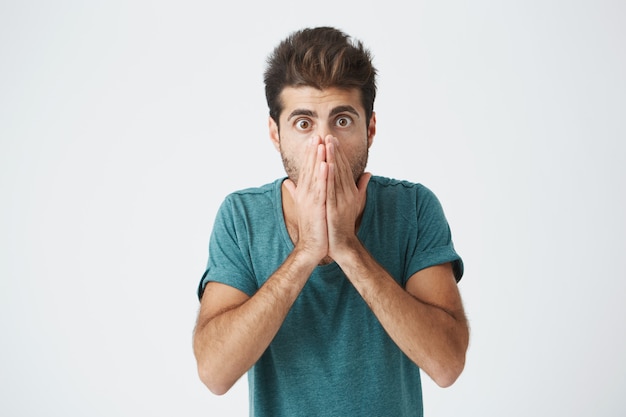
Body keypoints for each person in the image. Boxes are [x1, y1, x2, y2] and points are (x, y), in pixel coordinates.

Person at [193, 26, 469, 416]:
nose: (325, 144)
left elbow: (446, 365)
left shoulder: (414, 208)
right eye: (304, 124)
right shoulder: (242, 217)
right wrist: (306, 251)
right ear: (276, 134)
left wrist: (348, 249)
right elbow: (214, 373)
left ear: (370, 128)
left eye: (341, 121)